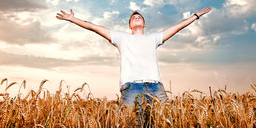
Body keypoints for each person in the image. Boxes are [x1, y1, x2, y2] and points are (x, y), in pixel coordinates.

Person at [56, 7, 211, 105]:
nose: (136, 17)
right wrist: (72, 19)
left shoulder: (154, 38)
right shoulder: (121, 37)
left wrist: (196, 16)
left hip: (156, 86)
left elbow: (178, 26)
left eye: (140, 17)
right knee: (135, 126)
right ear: (129, 25)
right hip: (132, 87)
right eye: (133, 17)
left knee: (163, 125)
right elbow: (94, 27)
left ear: (144, 24)